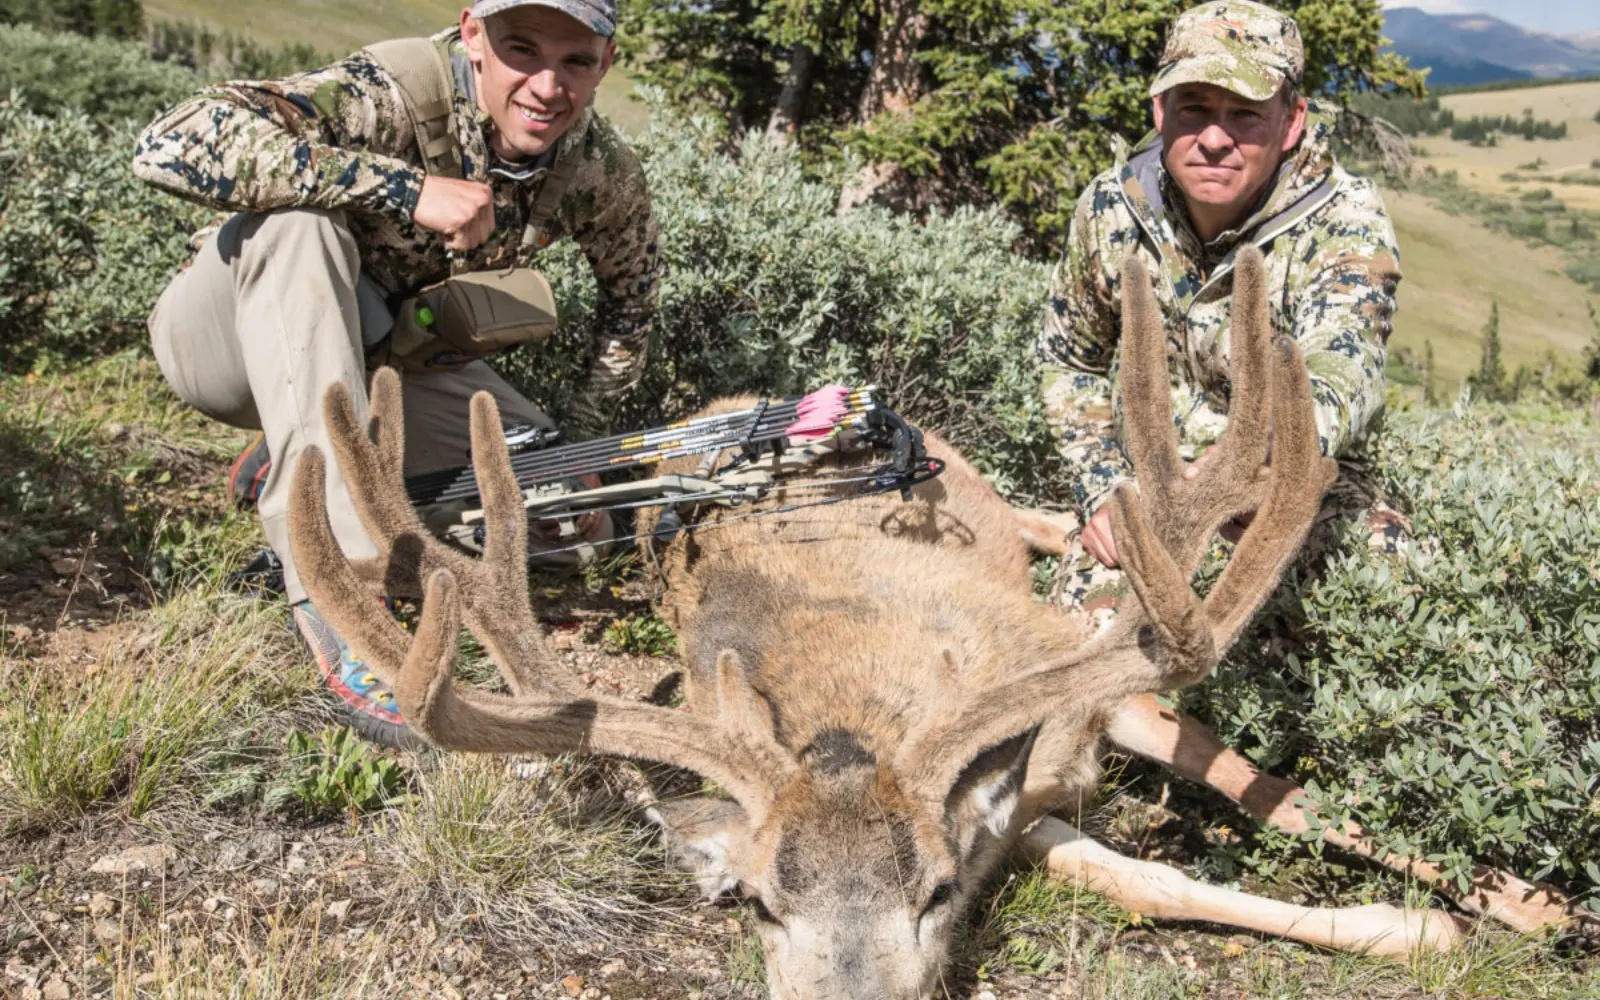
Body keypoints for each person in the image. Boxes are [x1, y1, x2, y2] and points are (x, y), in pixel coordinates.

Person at [133, 0, 658, 746]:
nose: (548, 85)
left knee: (548, 496)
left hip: (376, 367)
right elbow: (167, 140)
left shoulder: (597, 170)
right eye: (522, 49)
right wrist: (406, 190)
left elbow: (630, 304)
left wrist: (592, 441)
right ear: (473, 35)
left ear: (605, 64)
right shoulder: (394, 88)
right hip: (223, 347)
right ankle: (337, 584)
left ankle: (303, 463)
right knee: (298, 226)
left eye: (575, 61)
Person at [1038, 0, 1408, 635]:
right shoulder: (1110, 209)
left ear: (1292, 121)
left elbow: (1344, 367)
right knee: (1078, 649)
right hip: (1147, 498)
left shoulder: (1346, 222)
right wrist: (1102, 487)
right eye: (1194, 109)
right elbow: (1066, 359)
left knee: (1387, 591)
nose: (1214, 138)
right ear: (1160, 110)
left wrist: (1259, 464)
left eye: (1244, 115)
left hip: (1292, 490)